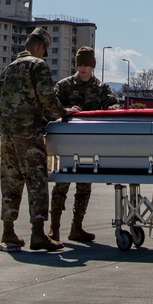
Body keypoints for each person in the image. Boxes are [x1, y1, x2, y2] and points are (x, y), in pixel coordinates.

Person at [0, 26, 80, 252]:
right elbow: (46, 97)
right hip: (28, 134)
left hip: (7, 135)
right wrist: (64, 112)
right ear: (41, 47)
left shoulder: (7, 69)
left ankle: (8, 232)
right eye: (45, 51)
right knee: (36, 182)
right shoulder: (37, 65)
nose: (44, 55)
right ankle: (37, 234)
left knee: (10, 181)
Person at [49, 46, 120, 243]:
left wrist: (112, 109)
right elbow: (50, 107)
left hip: (88, 146)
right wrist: (65, 110)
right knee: (61, 186)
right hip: (66, 145)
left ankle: (76, 227)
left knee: (84, 187)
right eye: (80, 65)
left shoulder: (101, 88)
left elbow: (114, 107)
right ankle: (54, 229)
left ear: (92, 66)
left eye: (86, 65)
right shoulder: (64, 86)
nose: (82, 69)